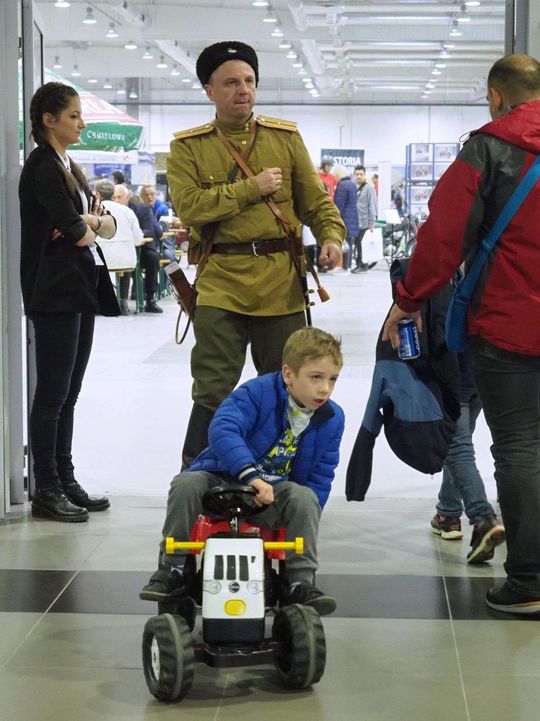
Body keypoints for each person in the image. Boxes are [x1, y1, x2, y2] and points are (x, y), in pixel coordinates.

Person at [382, 54, 540, 615]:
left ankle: (528, 580)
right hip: (509, 321)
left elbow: (444, 236)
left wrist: (408, 300)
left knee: (520, 445)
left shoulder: (489, 148)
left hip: (507, 322)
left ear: (496, 96)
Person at [167, 41, 345, 468]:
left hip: (280, 284)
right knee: (212, 385)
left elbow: (316, 202)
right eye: (231, 82)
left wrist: (331, 236)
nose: (243, 89)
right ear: (209, 90)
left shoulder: (284, 138)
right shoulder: (188, 147)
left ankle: (281, 473)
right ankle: (198, 473)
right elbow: (190, 207)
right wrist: (252, 188)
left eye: (248, 80)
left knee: (288, 383)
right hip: (220, 282)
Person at [140, 327, 345, 615]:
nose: (325, 388)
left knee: (305, 498)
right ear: (289, 374)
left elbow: (320, 476)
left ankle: (300, 581)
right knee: (185, 484)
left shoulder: (331, 419)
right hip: (223, 478)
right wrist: (252, 477)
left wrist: (306, 517)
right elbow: (223, 429)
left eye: (332, 379)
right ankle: (172, 568)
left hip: (272, 494)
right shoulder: (257, 393)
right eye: (316, 377)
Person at [19, 81, 119, 522]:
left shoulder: (68, 166)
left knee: (70, 393)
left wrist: (87, 220)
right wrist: (87, 224)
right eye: (74, 116)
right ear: (49, 120)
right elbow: (81, 234)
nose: (82, 123)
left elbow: (105, 226)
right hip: (54, 292)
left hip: (79, 287)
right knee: (53, 394)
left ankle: (65, 478)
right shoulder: (42, 167)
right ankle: (47, 487)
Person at [431, 347, 505, 563]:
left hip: (451, 375)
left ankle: (482, 518)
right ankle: (448, 513)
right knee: (457, 442)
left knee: (457, 448)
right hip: (481, 372)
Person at [94, 179, 143, 315]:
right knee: (124, 266)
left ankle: (98, 303)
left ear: (97, 194)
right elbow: (138, 239)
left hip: (100, 261)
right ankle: (123, 303)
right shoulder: (127, 211)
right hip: (126, 260)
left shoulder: (93, 212)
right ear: (112, 193)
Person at [112, 184, 163, 313]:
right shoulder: (109, 211)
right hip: (118, 250)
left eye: (119, 197)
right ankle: (120, 302)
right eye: (114, 197)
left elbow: (150, 231)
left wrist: (130, 234)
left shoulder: (142, 210)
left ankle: (150, 299)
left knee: (153, 257)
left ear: (127, 197)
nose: (116, 200)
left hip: (141, 249)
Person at [352, 165, 378, 273]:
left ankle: (363, 266)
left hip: (365, 221)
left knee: (363, 245)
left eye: (361, 174)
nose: (359, 176)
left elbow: (372, 205)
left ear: (364, 175)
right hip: (356, 222)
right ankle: (359, 264)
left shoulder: (369, 188)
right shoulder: (354, 187)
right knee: (358, 244)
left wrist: (372, 222)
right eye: (357, 174)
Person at [140, 184, 175, 263]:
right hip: (143, 243)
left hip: (162, 244)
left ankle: (174, 271)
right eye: (146, 195)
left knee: (167, 255)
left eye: (152, 194)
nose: (150, 197)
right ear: (141, 196)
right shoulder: (138, 208)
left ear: (156, 195)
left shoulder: (163, 208)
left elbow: (163, 227)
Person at [332, 166, 359, 271]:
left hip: (345, 218)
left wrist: (335, 217)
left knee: (344, 241)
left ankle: (344, 266)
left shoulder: (342, 185)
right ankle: (348, 266)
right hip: (353, 217)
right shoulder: (352, 184)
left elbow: (338, 204)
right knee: (349, 242)